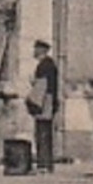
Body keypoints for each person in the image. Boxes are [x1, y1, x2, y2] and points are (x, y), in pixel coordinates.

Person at [27, 39, 60, 174]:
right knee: (45, 133)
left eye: (36, 49)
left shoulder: (44, 65)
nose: (34, 51)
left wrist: (33, 97)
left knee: (42, 133)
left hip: (44, 102)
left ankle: (44, 164)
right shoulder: (50, 64)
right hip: (48, 101)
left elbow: (42, 86)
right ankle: (46, 164)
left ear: (42, 50)